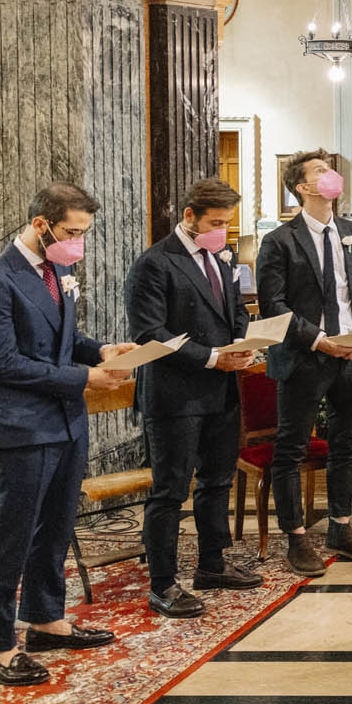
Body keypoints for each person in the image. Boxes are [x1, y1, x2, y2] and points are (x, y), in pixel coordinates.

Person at [0, 183, 135, 685]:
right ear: (41, 225)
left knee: (56, 529)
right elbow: (2, 363)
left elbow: (62, 341)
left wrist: (99, 351)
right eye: (71, 232)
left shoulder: (58, 269)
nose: (77, 242)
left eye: (83, 233)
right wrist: (86, 378)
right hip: (20, 429)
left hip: (65, 423)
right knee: (10, 539)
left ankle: (45, 619)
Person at [124, 177, 263, 617]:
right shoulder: (155, 263)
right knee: (170, 490)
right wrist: (211, 358)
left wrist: (245, 344)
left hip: (221, 390)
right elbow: (150, 333)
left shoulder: (219, 259)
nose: (223, 230)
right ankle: (163, 583)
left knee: (217, 482)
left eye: (227, 222)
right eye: (216, 222)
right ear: (189, 216)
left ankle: (212, 564)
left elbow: (235, 312)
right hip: (175, 395)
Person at [255, 149, 352, 576]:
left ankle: (341, 528)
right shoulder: (279, 241)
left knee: (346, 443)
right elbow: (273, 304)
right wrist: (319, 340)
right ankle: (296, 537)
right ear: (302, 187)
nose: (330, 176)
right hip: (303, 357)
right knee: (291, 448)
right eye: (320, 171)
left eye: (330, 169)